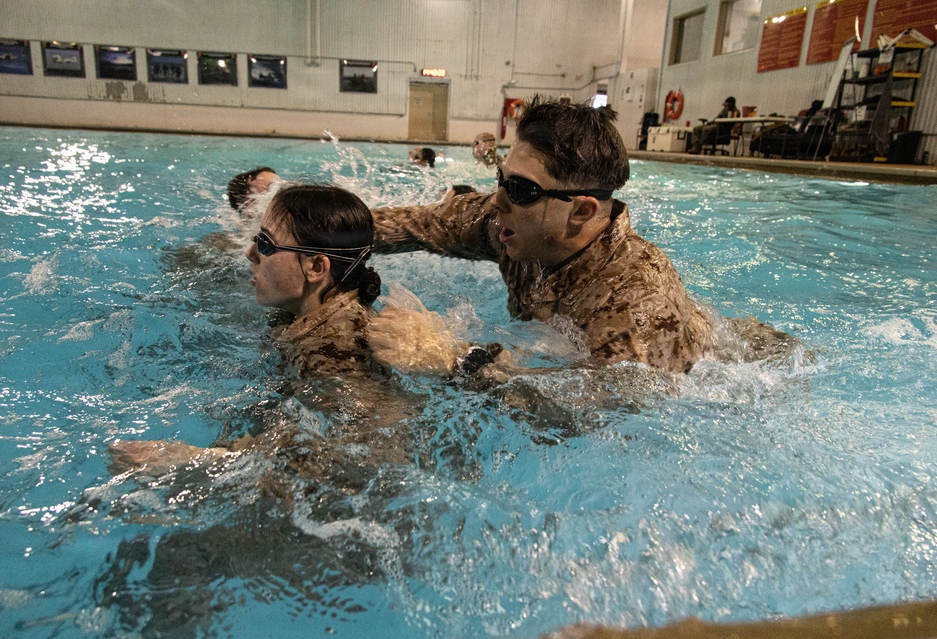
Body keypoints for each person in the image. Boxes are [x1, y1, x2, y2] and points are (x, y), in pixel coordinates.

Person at [368, 97, 787, 378]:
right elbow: (423, 223)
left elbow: (598, 412)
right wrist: (325, 232)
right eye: (502, 179)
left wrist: (451, 357)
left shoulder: (637, 305)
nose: (497, 200)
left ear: (582, 210)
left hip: (742, 371)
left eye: (520, 189)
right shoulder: (519, 222)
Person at [109, 184, 398, 475]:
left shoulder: (331, 347)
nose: (250, 253)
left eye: (266, 244)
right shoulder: (313, 314)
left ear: (315, 267)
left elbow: (351, 456)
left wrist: (193, 461)